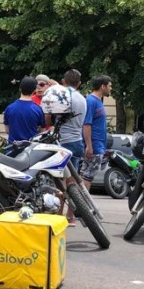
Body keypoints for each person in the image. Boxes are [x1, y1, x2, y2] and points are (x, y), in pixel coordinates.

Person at [50, 69, 87, 225]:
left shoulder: (62, 96)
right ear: (79, 84)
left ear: (64, 81)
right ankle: (70, 216)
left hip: (63, 142)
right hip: (77, 141)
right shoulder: (83, 99)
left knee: (59, 181)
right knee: (73, 182)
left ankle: (58, 214)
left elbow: (49, 119)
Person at [81, 75, 111, 191]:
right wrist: (89, 146)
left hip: (98, 145)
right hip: (94, 145)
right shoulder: (91, 101)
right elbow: (86, 124)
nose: (110, 88)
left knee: (87, 176)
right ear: (102, 86)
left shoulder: (98, 101)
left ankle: (82, 201)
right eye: (109, 86)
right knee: (87, 176)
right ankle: (83, 201)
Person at [4, 76, 45, 143]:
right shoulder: (38, 109)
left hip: (13, 147)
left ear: (20, 89)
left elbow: (7, 130)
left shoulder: (9, 108)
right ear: (34, 90)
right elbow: (41, 131)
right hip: (31, 147)